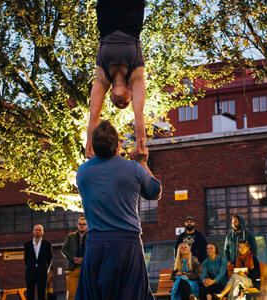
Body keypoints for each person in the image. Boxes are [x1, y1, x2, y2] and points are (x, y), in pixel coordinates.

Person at [75, 120, 162, 300]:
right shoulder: (134, 169)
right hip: (126, 245)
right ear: (117, 145)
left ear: (93, 145)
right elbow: (155, 192)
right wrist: (142, 161)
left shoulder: (82, 172)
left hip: (95, 246)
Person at [84, 0, 148, 161]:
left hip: (106, 23)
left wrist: (90, 144)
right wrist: (141, 146)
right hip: (132, 21)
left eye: (116, 104)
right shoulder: (136, 78)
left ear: (110, 94)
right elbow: (139, 114)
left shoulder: (102, 79)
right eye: (125, 103)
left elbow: (94, 115)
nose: (120, 103)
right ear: (131, 95)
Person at [61, 218, 88, 300]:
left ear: (87, 226)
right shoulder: (71, 236)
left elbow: (94, 251)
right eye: (80, 224)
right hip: (73, 269)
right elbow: (64, 250)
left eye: (84, 224)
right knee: (72, 295)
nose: (82, 226)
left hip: (86, 269)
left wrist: (84, 259)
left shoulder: (91, 236)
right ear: (77, 225)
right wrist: (72, 258)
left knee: (87, 293)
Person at [24, 224, 52, 300]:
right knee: (30, 295)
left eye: (40, 230)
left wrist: (46, 269)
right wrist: (31, 266)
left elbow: (49, 258)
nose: (38, 231)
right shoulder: (27, 244)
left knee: (42, 294)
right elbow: (26, 259)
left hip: (42, 272)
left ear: (42, 232)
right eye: (36, 230)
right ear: (33, 231)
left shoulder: (47, 244)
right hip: (30, 272)